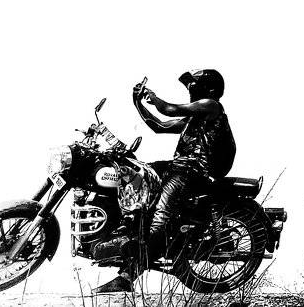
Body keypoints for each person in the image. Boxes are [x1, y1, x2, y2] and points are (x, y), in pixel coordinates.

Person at [95, 69, 237, 293]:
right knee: (135, 173)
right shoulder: (193, 119)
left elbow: (169, 110)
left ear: (210, 89)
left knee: (159, 221)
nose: (190, 88)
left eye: (194, 84)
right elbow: (159, 126)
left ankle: (128, 276)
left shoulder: (211, 106)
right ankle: (128, 228)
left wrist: (152, 97)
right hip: (177, 167)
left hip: (190, 171)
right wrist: (138, 104)